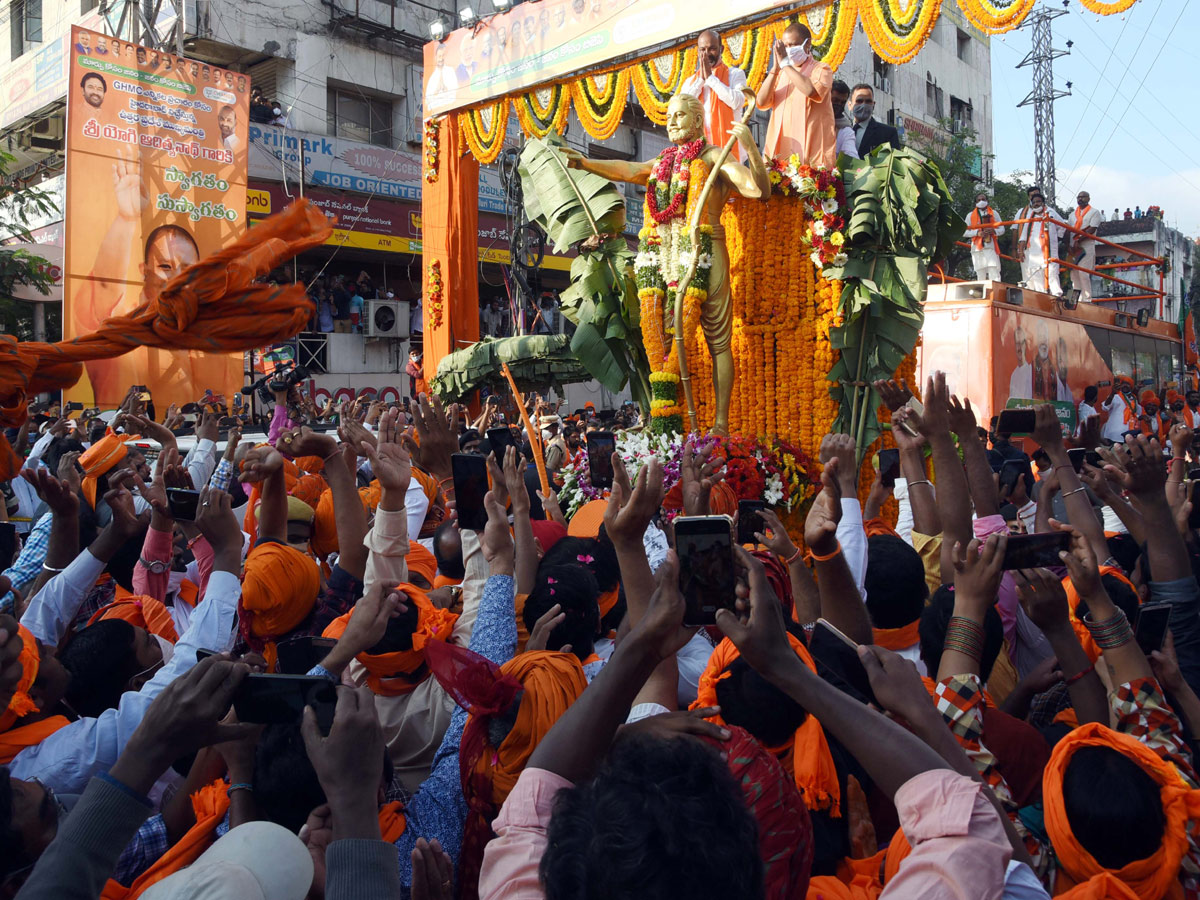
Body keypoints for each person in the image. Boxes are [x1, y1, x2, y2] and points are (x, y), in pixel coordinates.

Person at [564, 92, 770, 434]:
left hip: (707, 249)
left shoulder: (714, 156)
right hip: (664, 256)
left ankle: (721, 423)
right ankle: (671, 420)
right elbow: (631, 170)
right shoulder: (663, 162)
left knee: (718, 341)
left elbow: (757, 190)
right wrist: (586, 163)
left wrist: (750, 148)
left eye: (679, 115)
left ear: (697, 120)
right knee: (665, 339)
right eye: (669, 116)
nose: (671, 121)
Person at [756, 23, 835, 167]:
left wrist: (785, 64)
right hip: (781, 158)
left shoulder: (822, 69)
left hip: (811, 157)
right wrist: (775, 69)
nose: (788, 51)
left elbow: (812, 91)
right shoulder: (780, 74)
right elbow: (761, 102)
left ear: (807, 44)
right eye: (785, 46)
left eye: (793, 45)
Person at [680, 31, 749, 161]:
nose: (707, 54)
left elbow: (737, 101)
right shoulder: (690, 82)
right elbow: (683, 107)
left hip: (729, 152)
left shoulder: (735, 74)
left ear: (721, 49)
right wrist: (701, 80)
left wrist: (711, 79)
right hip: (698, 154)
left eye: (712, 49)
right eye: (702, 49)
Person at [1015, 189, 1064, 296]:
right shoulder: (1030, 216)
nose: (1036, 204)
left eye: (1038, 202)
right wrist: (1020, 250)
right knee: (1036, 274)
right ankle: (1040, 296)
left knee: (1052, 273)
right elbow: (1023, 235)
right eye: (1034, 202)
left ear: (1043, 203)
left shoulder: (1051, 213)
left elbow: (1063, 227)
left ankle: (1057, 296)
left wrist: (1056, 239)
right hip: (1034, 251)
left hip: (1049, 249)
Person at [848, 83, 901, 157]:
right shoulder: (840, 130)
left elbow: (894, 163)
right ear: (850, 105)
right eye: (859, 101)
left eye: (868, 101)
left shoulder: (888, 133)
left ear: (873, 105)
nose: (864, 105)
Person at [964, 191, 1004, 283]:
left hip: (990, 246)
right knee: (980, 273)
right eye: (979, 200)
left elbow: (1002, 229)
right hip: (977, 248)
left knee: (994, 270)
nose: (981, 201)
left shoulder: (994, 213)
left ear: (987, 201)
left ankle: (995, 293)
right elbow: (964, 232)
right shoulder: (970, 215)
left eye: (983, 199)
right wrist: (977, 233)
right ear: (975, 203)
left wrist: (994, 231)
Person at [1068, 190, 1102, 302]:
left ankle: (1086, 299)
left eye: (1083, 197)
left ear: (1089, 199)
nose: (1080, 199)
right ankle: (1075, 299)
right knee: (1073, 274)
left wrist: (1079, 239)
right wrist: (1069, 245)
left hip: (1087, 246)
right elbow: (1069, 231)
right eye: (1078, 197)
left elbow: (1092, 229)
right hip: (1074, 247)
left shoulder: (1094, 212)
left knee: (1083, 272)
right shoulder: (1072, 215)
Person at [830, 79, 858, 160]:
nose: (838, 104)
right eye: (835, 100)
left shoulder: (845, 129)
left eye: (842, 102)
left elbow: (851, 156)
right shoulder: (811, 120)